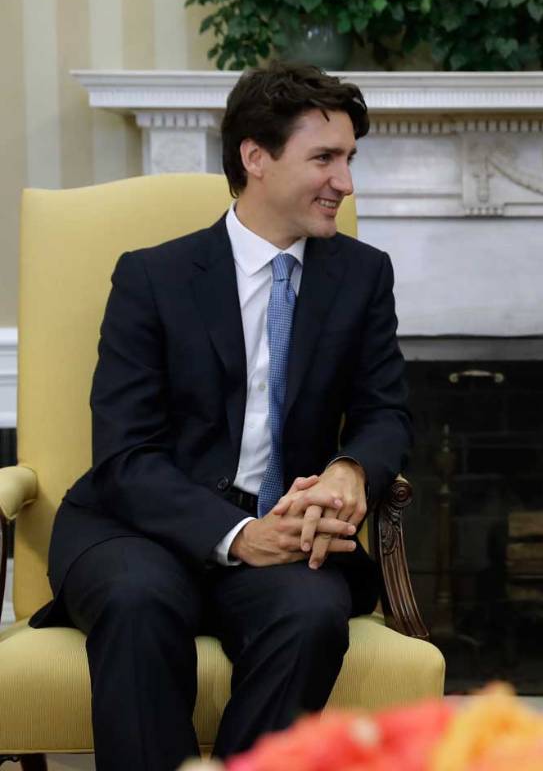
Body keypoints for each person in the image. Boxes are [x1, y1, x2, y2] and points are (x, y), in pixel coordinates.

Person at [30, 61, 413, 770]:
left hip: (286, 530)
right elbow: (124, 455)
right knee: (137, 602)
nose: (346, 182)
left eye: (350, 158)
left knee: (310, 616)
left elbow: (384, 409)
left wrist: (351, 468)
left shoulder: (363, 275)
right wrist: (239, 536)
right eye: (325, 157)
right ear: (256, 157)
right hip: (136, 527)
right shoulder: (152, 278)